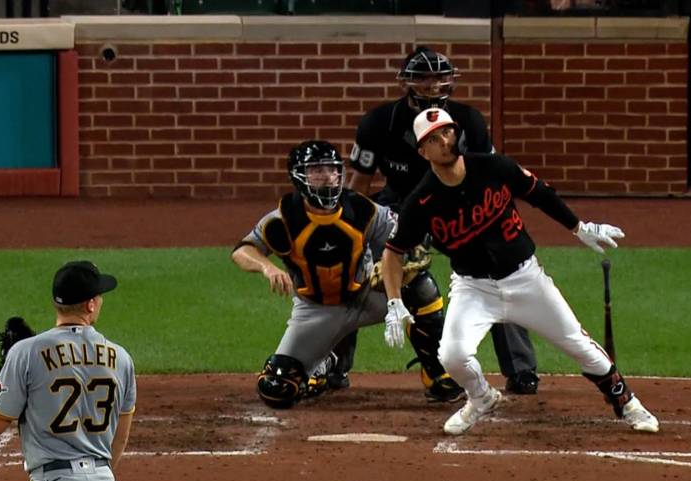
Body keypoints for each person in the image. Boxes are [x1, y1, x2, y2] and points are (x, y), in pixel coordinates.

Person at [380, 107, 660, 435]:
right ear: (422, 151)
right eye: (433, 138)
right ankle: (481, 397)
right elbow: (393, 252)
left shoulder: (494, 167)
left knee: (579, 345)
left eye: (447, 131)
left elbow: (538, 193)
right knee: (452, 355)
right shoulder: (422, 201)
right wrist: (394, 302)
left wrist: (578, 227)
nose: (444, 141)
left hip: (525, 279)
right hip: (474, 289)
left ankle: (627, 402)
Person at [334, 45, 540, 397]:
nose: (432, 84)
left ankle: (521, 369)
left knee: (499, 270)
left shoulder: (469, 120)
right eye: (424, 77)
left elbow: (487, 175)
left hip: (460, 206)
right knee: (349, 263)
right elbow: (361, 184)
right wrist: (353, 233)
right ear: (407, 82)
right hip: (399, 208)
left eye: (439, 76)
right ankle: (334, 367)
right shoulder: (378, 123)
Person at [231, 140, 458, 407]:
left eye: (332, 169)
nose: (328, 177)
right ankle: (328, 361)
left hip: (365, 296)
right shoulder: (284, 219)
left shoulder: (361, 209)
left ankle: (437, 370)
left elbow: (405, 240)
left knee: (420, 287)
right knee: (276, 388)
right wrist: (266, 266)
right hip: (316, 311)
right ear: (298, 176)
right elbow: (242, 251)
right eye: (317, 170)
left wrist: (394, 264)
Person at [0, 260, 137, 481]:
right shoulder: (121, 357)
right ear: (90, 304)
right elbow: (120, 437)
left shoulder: (27, 352)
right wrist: (94, 479)